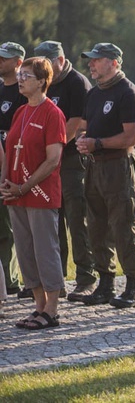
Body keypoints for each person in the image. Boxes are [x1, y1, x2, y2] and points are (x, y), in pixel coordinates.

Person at [75, 43, 135, 309]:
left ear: (114, 62)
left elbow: (131, 138)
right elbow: (84, 127)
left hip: (119, 168)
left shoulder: (128, 92)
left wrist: (97, 143)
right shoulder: (93, 95)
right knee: (97, 227)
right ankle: (105, 284)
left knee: (124, 226)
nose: (91, 64)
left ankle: (133, 287)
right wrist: (83, 140)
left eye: (96, 60)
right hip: (94, 167)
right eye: (90, 60)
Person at [0, 57, 67, 329]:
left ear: (42, 81)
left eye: (27, 75)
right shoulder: (20, 111)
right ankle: (38, 306)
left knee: (44, 251)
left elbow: (53, 159)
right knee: (26, 252)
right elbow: (8, 151)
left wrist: (24, 186)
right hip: (16, 194)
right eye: (21, 75)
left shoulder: (53, 113)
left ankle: (52, 309)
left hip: (40, 194)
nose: (21, 79)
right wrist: (5, 183)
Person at [34, 41, 95, 302]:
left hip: (70, 161)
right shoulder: (47, 81)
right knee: (53, 223)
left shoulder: (76, 83)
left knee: (76, 219)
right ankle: (55, 281)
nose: (45, 66)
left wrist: (54, 149)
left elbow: (78, 122)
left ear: (61, 58)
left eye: (49, 61)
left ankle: (85, 278)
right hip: (49, 162)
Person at [0, 41, 26, 297]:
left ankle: (11, 280)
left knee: (10, 228)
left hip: (16, 165)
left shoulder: (22, 93)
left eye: (4, 58)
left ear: (18, 62)